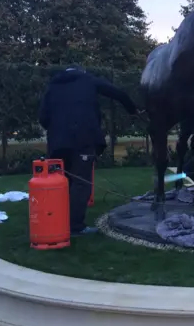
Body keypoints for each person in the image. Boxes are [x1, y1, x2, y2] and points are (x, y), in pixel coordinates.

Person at [38, 65, 142, 236]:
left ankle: (58, 220)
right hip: (83, 140)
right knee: (81, 182)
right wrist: (133, 110)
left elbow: (43, 117)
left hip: (57, 144)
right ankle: (75, 227)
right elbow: (117, 93)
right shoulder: (88, 80)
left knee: (62, 182)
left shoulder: (53, 86)